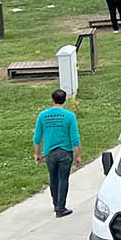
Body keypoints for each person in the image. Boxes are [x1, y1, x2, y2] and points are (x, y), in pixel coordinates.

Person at [33, 88, 82, 217]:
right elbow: (75, 137)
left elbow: (37, 137)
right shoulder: (69, 116)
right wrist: (78, 155)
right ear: (64, 100)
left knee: (53, 178)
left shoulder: (43, 115)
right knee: (63, 179)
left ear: (52, 99)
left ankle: (56, 204)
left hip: (49, 152)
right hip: (65, 151)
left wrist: (37, 154)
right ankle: (61, 207)